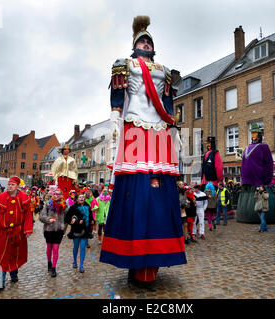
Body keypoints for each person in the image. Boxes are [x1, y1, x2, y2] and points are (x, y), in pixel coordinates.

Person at [99, 15, 186, 290]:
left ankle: (157, 255)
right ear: (135, 44)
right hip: (134, 124)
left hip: (159, 129)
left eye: (149, 41)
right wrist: (116, 125)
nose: (146, 43)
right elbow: (116, 99)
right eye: (142, 40)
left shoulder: (165, 70)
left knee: (160, 188)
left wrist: (174, 132)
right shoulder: (123, 65)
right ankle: (131, 256)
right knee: (134, 188)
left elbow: (169, 105)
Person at [0, 176, 33, 295]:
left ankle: (14, 274)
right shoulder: (0, 198)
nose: (10, 186)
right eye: (9, 185)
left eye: (12, 185)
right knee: (0, 258)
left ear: (17, 186)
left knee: (15, 254)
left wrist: (27, 230)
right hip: (2, 233)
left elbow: (28, 216)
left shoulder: (24, 198)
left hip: (18, 232)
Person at [237, 124, 275, 224]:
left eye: (255, 133)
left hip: (259, 180)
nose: (253, 135)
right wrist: (243, 179)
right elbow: (243, 164)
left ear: (260, 135)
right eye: (252, 133)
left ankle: (263, 222)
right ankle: (261, 222)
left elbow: (269, 164)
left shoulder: (264, 147)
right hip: (248, 181)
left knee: (262, 204)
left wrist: (267, 179)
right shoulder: (246, 148)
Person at [39, 187, 66, 278]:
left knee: (55, 249)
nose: (56, 195)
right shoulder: (48, 204)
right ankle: (49, 262)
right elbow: (41, 216)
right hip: (48, 230)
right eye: (54, 194)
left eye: (58, 194)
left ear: (61, 196)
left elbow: (69, 215)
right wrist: (48, 219)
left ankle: (54, 268)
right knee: (49, 248)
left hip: (59, 230)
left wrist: (74, 218)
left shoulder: (64, 205)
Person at [65, 193, 95, 273]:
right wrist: (74, 220)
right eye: (80, 197)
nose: (82, 198)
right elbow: (67, 217)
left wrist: (92, 220)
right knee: (76, 247)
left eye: (83, 197)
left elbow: (91, 216)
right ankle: (75, 261)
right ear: (77, 199)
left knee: (83, 248)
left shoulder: (87, 206)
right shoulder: (73, 207)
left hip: (85, 230)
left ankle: (81, 265)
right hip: (76, 230)